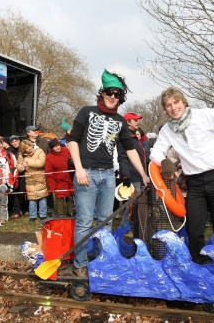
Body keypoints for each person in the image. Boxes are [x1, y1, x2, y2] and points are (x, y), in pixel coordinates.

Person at [67, 69, 150, 277]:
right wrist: (78, 169)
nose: (113, 97)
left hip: (108, 175)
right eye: (110, 92)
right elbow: (73, 141)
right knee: (85, 221)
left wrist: (143, 173)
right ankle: (80, 264)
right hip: (87, 173)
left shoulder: (121, 121)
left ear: (121, 98)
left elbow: (129, 149)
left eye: (118, 94)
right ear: (103, 93)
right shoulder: (87, 112)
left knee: (106, 221)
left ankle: (104, 259)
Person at [150, 87, 214, 264]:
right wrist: (163, 160)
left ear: (183, 102)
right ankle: (199, 263)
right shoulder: (167, 129)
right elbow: (155, 150)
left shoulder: (204, 115)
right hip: (194, 182)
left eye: (176, 102)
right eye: (168, 105)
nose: (173, 107)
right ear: (165, 109)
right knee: (194, 228)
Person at [117, 112, 147, 229]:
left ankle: (132, 229)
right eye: (135, 120)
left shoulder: (135, 136)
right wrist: (126, 177)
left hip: (139, 175)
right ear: (128, 122)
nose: (138, 122)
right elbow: (122, 157)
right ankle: (122, 230)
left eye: (138, 120)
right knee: (132, 206)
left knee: (136, 205)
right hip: (132, 176)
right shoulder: (125, 137)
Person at [17, 140, 49, 222]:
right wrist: (22, 165)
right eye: (26, 148)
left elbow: (41, 163)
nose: (29, 148)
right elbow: (19, 168)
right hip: (29, 179)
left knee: (42, 197)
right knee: (31, 199)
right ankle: (32, 216)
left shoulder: (39, 151)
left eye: (29, 146)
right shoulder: (21, 155)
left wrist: (28, 161)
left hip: (40, 177)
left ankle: (43, 215)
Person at [45, 138, 74, 216]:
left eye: (58, 145)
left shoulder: (66, 150)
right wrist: (52, 186)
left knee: (70, 197)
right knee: (60, 198)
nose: (58, 148)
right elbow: (49, 173)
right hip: (59, 180)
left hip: (69, 179)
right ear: (52, 148)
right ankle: (61, 214)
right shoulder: (49, 157)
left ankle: (71, 213)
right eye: (55, 147)